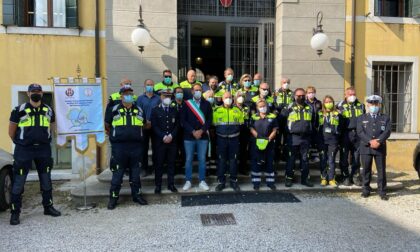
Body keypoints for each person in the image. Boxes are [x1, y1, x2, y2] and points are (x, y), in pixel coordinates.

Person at [9, 84, 61, 225]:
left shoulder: (49, 110)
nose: (36, 93)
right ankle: (15, 212)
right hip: (24, 150)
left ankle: (48, 207)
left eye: (38, 91)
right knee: (19, 182)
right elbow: (11, 132)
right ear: (28, 93)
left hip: (43, 149)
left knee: (46, 180)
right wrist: (21, 143)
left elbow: (53, 128)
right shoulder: (19, 110)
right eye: (33, 91)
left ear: (42, 93)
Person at [105, 85, 147, 210]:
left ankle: (137, 195)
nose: (128, 96)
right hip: (119, 147)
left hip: (136, 146)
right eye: (126, 94)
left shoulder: (139, 110)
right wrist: (115, 136)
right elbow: (107, 125)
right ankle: (113, 198)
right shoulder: (114, 109)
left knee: (135, 174)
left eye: (130, 93)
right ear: (121, 96)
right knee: (117, 174)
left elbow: (143, 125)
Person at [357, 95, 391, 200]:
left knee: (381, 171)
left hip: (380, 147)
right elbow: (360, 132)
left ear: (379, 105)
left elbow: (387, 131)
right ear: (367, 104)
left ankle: (382, 191)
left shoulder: (385, 118)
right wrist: (370, 141)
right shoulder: (361, 118)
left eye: (376, 104)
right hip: (366, 147)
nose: (374, 106)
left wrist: (379, 141)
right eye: (372, 104)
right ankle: (366, 190)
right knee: (366, 170)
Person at [180, 83, 213, 191]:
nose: (198, 92)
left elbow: (209, 120)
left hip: (202, 137)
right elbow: (183, 120)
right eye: (196, 90)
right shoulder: (186, 104)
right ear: (192, 91)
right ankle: (188, 181)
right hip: (189, 137)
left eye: (200, 90)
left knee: (202, 159)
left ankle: (202, 181)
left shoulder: (207, 104)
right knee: (188, 159)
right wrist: (193, 131)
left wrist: (201, 131)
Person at [283, 88, 314, 187]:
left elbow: (313, 122)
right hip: (293, 138)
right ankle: (288, 179)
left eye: (302, 96)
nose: (301, 97)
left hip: (305, 138)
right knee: (291, 159)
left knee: (305, 160)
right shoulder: (290, 107)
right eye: (298, 96)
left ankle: (305, 179)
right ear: (295, 96)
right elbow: (282, 119)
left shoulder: (309, 107)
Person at [213, 92, 244, 192]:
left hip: (234, 139)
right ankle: (221, 182)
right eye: (226, 97)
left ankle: (233, 181)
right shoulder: (217, 110)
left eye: (230, 97)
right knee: (221, 161)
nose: (228, 99)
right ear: (222, 99)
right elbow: (213, 125)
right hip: (221, 139)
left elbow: (241, 124)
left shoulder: (237, 110)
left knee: (233, 161)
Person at [151, 90, 179, 194]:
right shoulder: (155, 110)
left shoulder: (174, 110)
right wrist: (163, 136)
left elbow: (177, 125)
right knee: (159, 164)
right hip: (160, 142)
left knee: (171, 164)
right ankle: (158, 185)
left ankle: (171, 184)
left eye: (169, 96)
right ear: (160, 97)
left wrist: (171, 135)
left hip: (172, 142)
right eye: (165, 96)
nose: (167, 97)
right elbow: (154, 126)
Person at [337, 87, 365, 186]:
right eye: (350, 94)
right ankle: (345, 177)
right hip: (345, 134)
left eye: (354, 94)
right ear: (345, 95)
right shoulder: (340, 106)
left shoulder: (361, 105)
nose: (352, 96)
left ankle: (355, 177)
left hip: (357, 134)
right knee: (344, 157)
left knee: (356, 157)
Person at [250, 99, 278, 190]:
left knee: (269, 162)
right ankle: (256, 183)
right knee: (256, 162)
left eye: (264, 106)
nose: (263, 108)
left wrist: (269, 139)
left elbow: (275, 129)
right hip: (257, 143)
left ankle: (270, 183)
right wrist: (258, 138)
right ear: (257, 108)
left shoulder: (272, 117)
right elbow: (251, 128)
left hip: (269, 143)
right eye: (260, 106)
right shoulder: (254, 117)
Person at [136, 79, 160, 176]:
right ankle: (144, 168)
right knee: (143, 148)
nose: (149, 86)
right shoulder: (140, 98)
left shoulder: (158, 98)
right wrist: (145, 122)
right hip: (143, 127)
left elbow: (159, 112)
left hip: (155, 127)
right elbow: (138, 112)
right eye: (148, 84)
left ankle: (155, 168)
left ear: (153, 86)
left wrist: (152, 122)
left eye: (151, 84)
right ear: (144, 86)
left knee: (156, 148)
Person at [318, 95, 342, 187]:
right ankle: (324, 178)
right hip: (322, 140)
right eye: (326, 102)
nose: (328, 103)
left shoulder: (337, 114)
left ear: (333, 102)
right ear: (324, 103)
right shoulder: (320, 113)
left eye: (330, 101)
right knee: (323, 160)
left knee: (331, 161)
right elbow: (316, 125)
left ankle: (332, 179)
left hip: (333, 141)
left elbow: (341, 127)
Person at [275, 77, 294, 162]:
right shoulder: (276, 93)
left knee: (287, 138)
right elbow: (275, 105)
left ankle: (285, 155)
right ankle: (277, 156)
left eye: (287, 82)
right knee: (278, 139)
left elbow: (293, 105)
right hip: (279, 119)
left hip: (288, 119)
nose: (286, 84)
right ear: (281, 83)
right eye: (284, 82)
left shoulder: (292, 93)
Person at [235, 91, 252, 175]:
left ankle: (242, 168)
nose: (240, 97)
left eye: (242, 96)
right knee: (234, 150)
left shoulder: (247, 107)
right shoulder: (232, 107)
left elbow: (250, 118)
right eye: (239, 96)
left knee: (243, 150)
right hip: (234, 131)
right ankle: (233, 168)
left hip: (245, 131)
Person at [306, 86, 323, 163]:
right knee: (308, 141)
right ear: (306, 94)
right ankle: (307, 156)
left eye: (312, 92)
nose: (311, 94)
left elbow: (322, 112)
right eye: (309, 92)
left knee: (315, 141)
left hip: (316, 125)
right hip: (308, 125)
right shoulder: (305, 103)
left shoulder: (318, 102)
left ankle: (314, 156)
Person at [173, 87, 186, 174]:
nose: (180, 94)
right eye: (178, 92)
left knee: (184, 148)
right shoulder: (171, 104)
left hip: (184, 130)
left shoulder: (186, 104)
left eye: (181, 92)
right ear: (174, 94)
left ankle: (183, 164)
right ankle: (175, 165)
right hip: (174, 130)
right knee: (174, 149)